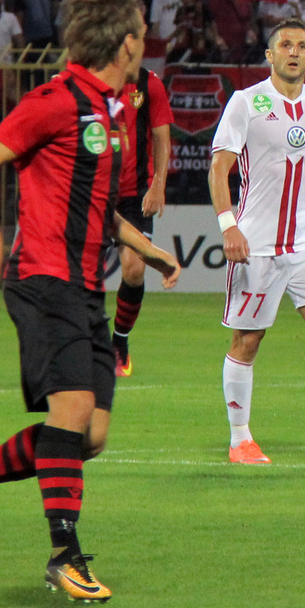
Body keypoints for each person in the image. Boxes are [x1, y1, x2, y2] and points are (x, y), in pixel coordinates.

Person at [0, 0, 181, 602]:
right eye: (142, 28)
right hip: (43, 277)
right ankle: (66, 556)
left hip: (85, 284)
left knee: (89, 436)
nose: (146, 37)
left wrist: (144, 247)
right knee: (68, 415)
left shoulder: (115, 112)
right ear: (125, 41)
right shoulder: (56, 99)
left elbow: (96, 208)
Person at [208, 18, 305, 466]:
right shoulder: (246, 102)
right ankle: (240, 440)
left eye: (302, 46)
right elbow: (219, 169)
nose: (293, 52)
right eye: (285, 45)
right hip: (256, 245)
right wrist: (227, 225)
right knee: (248, 341)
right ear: (270, 55)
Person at [109, 62, 171, 377]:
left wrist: (158, 184)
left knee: (134, 269)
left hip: (133, 196)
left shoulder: (150, 85)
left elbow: (161, 138)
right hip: (90, 190)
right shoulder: (84, 76)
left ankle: (119, 342)